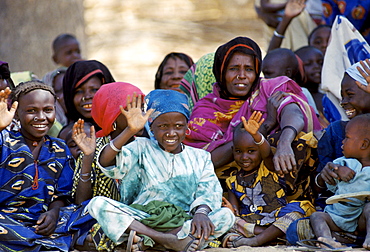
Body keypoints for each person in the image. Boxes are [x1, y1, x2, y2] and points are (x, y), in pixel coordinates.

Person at [85, 89, 235, 251]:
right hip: (142, 219)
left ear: (187, 128)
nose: (171, 133)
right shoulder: (141, 147)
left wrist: (202, 213)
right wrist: (130, 131)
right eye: (163, 126)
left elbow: (208, 192)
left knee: (226, 216)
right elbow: (107, 162)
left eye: (178, 126)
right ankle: (167, 240)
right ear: (152, 128)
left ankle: (149, 242)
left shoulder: (200, 157)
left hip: (183, 220)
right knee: (98, 204)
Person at [184, 36, 321, 200]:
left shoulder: (268, 88)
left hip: (283, 185)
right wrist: (265, 126)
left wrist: (284, 143)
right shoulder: (206, 108)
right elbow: (205, 160)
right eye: (233, 68)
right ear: (221, 72)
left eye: (248, 69)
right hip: (232, 192)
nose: (242, 75)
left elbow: (294, 111)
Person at [0, 81, 94, 251]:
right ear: (16, 114)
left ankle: (40, 244)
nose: (41, 117)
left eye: (48, 110)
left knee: (92, 212)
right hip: (7, 220)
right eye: (31, 111)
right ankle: (48, 245)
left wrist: (54, 213)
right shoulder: (4, 141)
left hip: (43, 222)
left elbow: (62, 194)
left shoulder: (59, 148)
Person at [70, 82, 146, 251]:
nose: (139, 115)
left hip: (141, 217)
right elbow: (82, 202)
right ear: (112, 115)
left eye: (142, 108)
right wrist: (88, 159)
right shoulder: (93, 146)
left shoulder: (147, 146)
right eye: (131, 110)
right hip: (102, 218)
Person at [222, 111, 315, 247]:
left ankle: (257, 239)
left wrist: (256, 136)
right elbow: (234, 210)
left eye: (251, 151)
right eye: (238, 151)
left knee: (296, 211)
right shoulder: (232, 181)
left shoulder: (268, 167)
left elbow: (266, 154)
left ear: (260, 149)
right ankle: (269, 236)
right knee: (228, 220)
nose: (244, 157)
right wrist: (230, 210)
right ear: (232, 150)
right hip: (251, 222)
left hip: (277, 218)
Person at [311, 113, 370, 249]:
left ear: (364, 144)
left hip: (360, 219)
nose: (342, 142)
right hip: (337, 216)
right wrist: (336, 173)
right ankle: (326, 239)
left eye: (347, 138)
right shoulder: (341, 163)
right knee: (317, 217)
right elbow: (324, 185)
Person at [62, 59, 115, 127]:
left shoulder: (123, 127)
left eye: (94, 90)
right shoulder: (69, 134)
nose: (87, 96)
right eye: (79, 91)